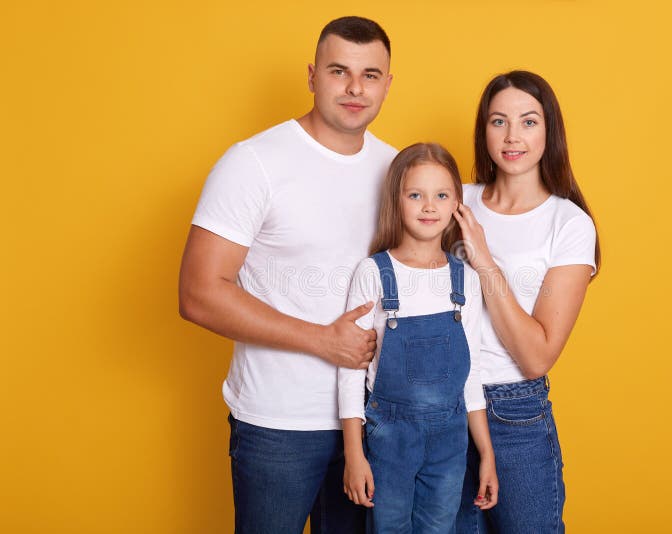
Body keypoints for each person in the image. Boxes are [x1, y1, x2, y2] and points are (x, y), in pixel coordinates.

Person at [178, 16, 396, 534]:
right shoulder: (253, 162)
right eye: (339, 70)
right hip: (277, 423)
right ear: (312, 74)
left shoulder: (398, 170)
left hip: (370, 422)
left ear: (388, 83)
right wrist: (323, 341)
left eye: (370, 74)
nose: (354, 87)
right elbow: (199, 293)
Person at [453, 71, 601, 534]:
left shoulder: (568, 223)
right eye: (498, 121)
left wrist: (483, 261)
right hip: (440, 406)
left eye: (528, 122)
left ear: (549, 131)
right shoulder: (455, 201)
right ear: (484, 131)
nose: (512, 136)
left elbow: (537, 356)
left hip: (512, 412)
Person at [338, 143, 498, 533]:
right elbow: (351, 370)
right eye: (416, 195)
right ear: (397, 199)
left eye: (441, 195)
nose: (429, 206)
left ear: (457, 203)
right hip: (389, 436)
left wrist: (487, 452)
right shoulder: (374, 273)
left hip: (450, 437)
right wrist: (354, 453)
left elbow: (471, 372)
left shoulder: (466, 279)